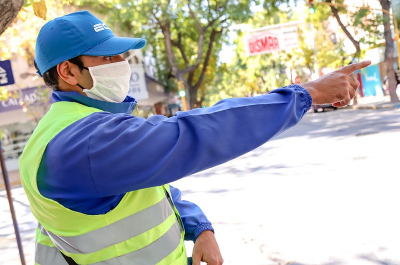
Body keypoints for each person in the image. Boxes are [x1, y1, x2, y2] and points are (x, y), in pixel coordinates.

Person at [19, 10, 370, 265]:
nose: (123, 62)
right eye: (109, 56)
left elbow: (144, 191)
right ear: (68, 71)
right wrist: (305, 93)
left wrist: (198, 226)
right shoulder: (84, 143)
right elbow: (192, 133)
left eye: (122, 54)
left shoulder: (69, 127)